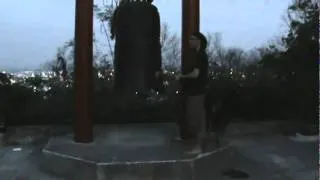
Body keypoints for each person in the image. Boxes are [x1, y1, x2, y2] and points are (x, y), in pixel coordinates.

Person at [177, 32, 209, 153]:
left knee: (198, 119)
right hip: (194, 92)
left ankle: (199, 147)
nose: (190, 41)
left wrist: (182, 76)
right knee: (194, 118)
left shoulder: (201, 55)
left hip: (197, 92)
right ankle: (197, 145)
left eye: (192, 39)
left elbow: (196, 74)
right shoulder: (198, 55)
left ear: (199, 41)